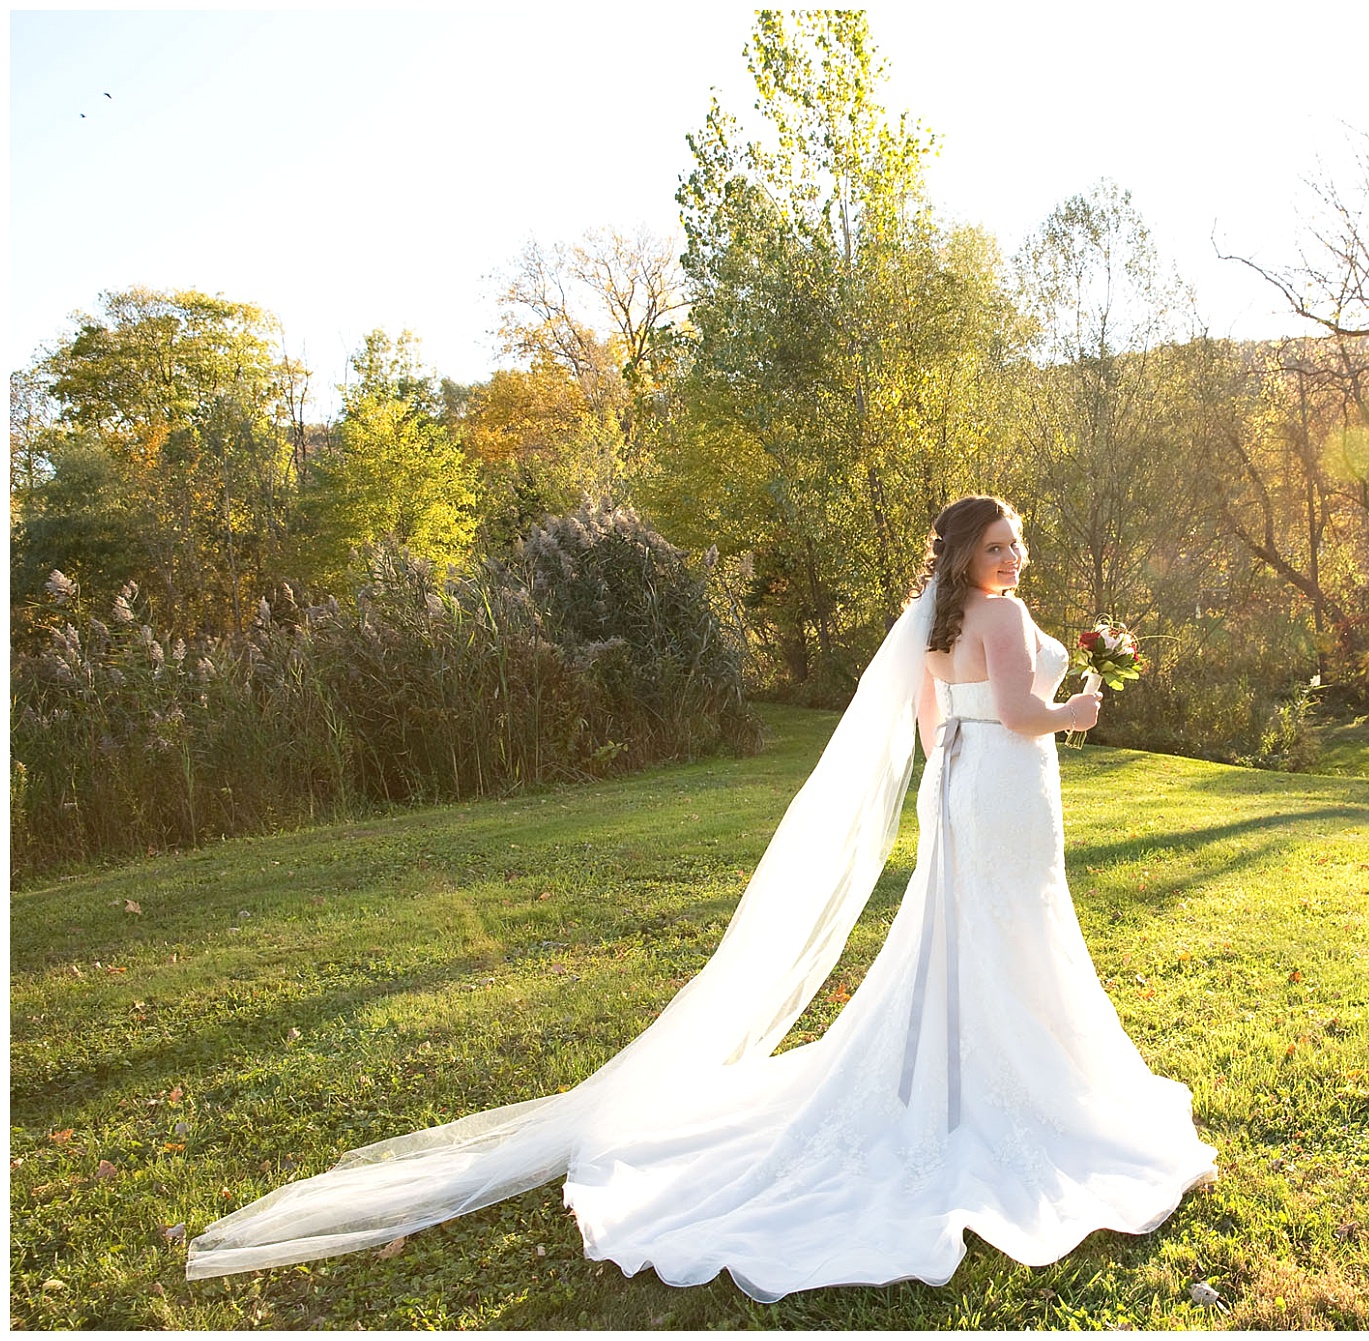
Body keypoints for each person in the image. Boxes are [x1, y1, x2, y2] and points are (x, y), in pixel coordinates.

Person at [186, 495, 1216, 1300]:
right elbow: (1026, 712)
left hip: (962, 790)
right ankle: (1020, 1091)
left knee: (969, 938)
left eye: (1018, 544)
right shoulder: (1003, 616)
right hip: (1004, 789)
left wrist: (957, 781)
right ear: (965, 559)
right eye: (999, 547)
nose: (1015, 559)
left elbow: (924, 723)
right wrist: (1080, 706)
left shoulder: (933, 622)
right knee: (1009, 934)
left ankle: (953, 1076)